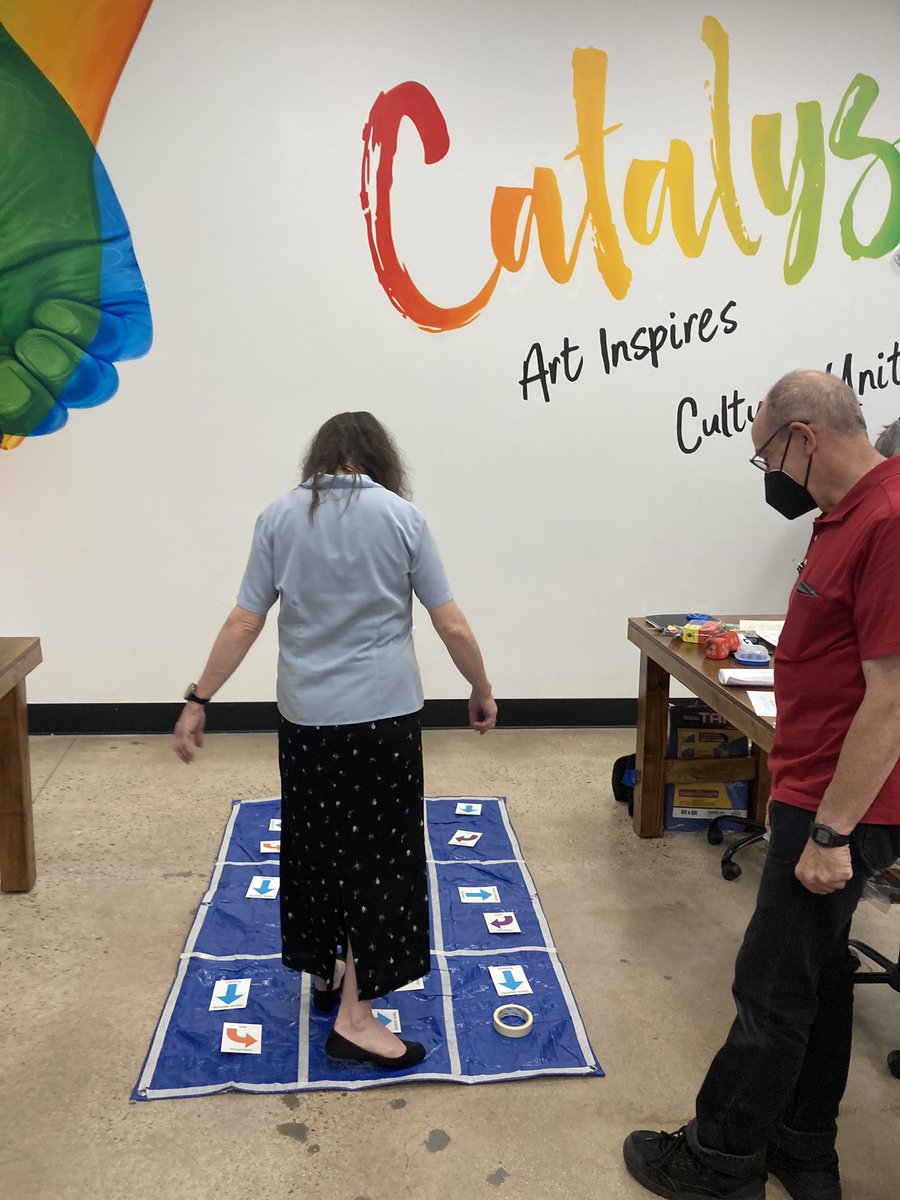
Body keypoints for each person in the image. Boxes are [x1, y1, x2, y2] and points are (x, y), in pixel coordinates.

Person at [624, 370, 900, 1200]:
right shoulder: (846, 516)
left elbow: (892, 697)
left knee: (771, 987)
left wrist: (831, 832)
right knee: (818, 976)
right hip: (814, 788)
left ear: (804, 437)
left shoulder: (888, 520)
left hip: (840, 807)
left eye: (767, 456)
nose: (770, 475)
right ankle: (803, 1148)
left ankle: (720, 1158)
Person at [173, 411, 497, 1070]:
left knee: (315, 845)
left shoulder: (278, 517)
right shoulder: (403, 518)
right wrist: (480, 685)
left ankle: (326, 971)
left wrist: (198, 699)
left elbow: (244, 621)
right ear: (381, 458)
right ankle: (355, 1020)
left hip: (306, 720)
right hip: (382, 720)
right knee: (380, 860)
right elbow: (452, 623)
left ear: (319, 457)